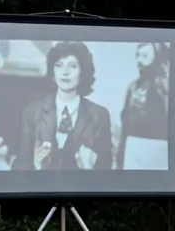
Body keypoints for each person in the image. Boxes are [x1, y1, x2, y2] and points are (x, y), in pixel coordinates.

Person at [14, 41, 112, 171]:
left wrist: (89, 167)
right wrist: (36, 166)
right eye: (59, 65)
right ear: (53, 71)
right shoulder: (32, 112)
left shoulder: (99, 115)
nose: (65, 72)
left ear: (83, 71)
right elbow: (19, 165)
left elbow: (107, 171)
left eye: (72, 66)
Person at [118, 42, 170, 170]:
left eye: (145, 56)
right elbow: (125, 125)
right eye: (138, 55)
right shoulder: (132, 87)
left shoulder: (165, 85)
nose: (139, 60)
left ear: (156, 58)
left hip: (158, 149)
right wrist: (120, 156)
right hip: (133, 148)